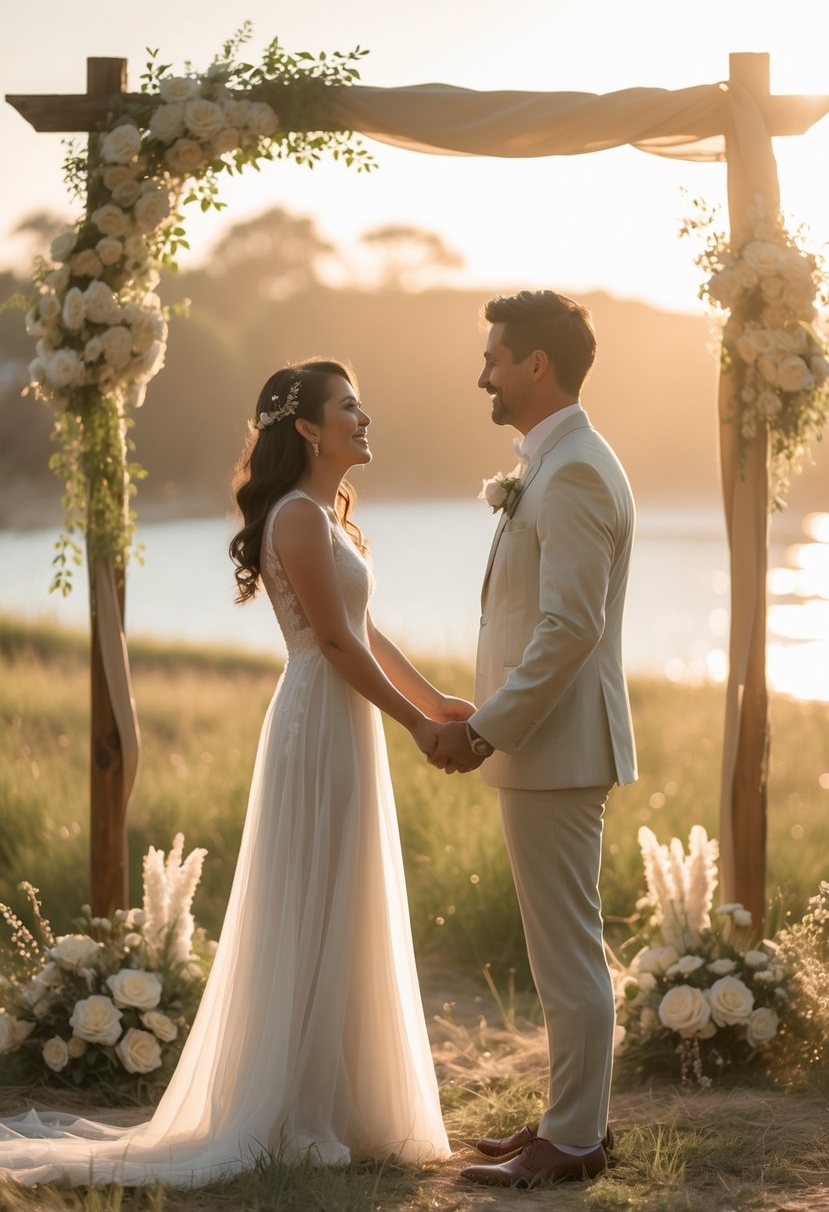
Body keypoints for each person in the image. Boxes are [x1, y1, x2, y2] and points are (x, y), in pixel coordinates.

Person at [0, 358, 466, 1187]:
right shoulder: (293, 516)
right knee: (315, 895)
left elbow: (362, 628)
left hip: (341, 719)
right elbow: (330, 644)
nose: (365, 419)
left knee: (344, 892)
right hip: (318, 724)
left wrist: (436, 703)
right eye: (349, 408)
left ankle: (346, 1105)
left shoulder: (324, 516)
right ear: (308, 429)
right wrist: (413, 729)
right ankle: (297, 1107)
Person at [429, 291, 637, 1189]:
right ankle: (566, 1121)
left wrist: (486, 728)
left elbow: (569, 628)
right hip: (542, 748)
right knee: (560, 952)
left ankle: (576, 1143)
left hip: (553, 746)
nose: (482, 372)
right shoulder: (554, 464)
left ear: (534, 366)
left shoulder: (577, 470)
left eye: (493, 357)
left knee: (568, 954)